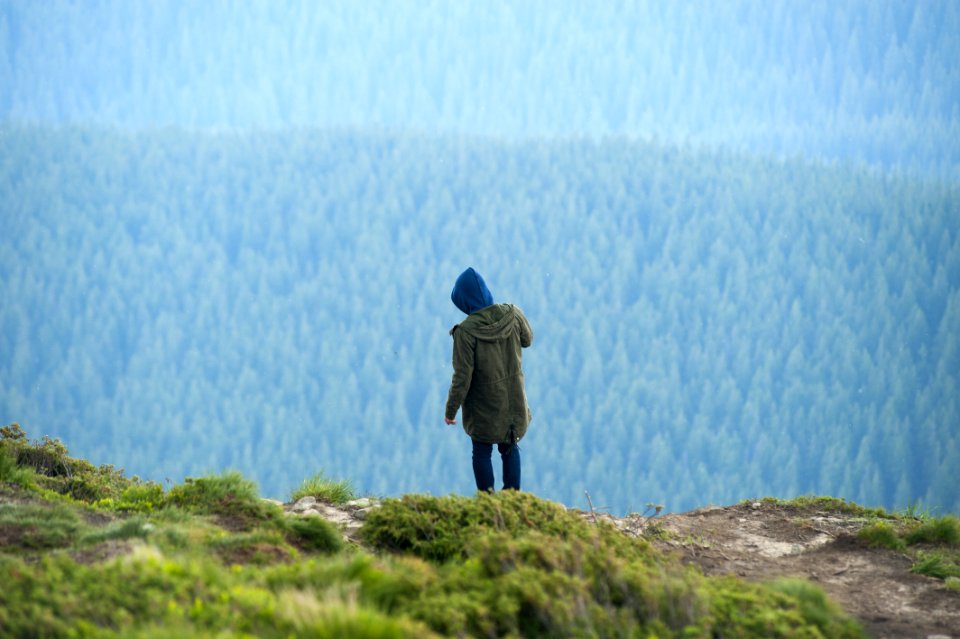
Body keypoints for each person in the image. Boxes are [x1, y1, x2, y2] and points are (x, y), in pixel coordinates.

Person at [444, 267, 533, 492]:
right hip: (513, 401)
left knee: (481, 451)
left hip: (483, 407)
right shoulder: (512, 313)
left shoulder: (465, 332)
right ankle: (513, 500)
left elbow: (462, 377)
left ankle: (487, 501)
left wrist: (450, 410)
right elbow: (527, 340)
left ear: (464, 302)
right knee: (510, 447)